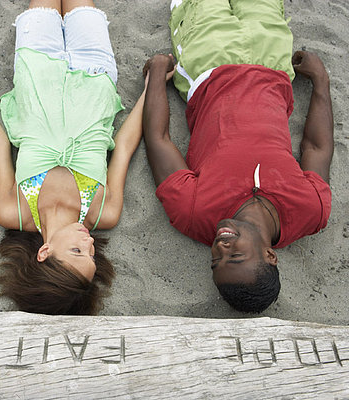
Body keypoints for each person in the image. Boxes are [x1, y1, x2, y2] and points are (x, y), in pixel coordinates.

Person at [142, 0, 333, 312]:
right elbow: (317, 147)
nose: (221, 248)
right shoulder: (311, 211)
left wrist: (156, 82)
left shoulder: (193, 212)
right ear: (270, 255)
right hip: (273, 65)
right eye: (236, 255)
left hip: (210, 64)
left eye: (216, 261)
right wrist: (321, 81)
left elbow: (158, 139)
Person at [0, 0, 147, 315]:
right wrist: (149, 90)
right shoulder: (102, 213)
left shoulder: (15, 212)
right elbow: (124, 147)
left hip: (37, 71)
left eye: (78, 251)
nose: (90, 244)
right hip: (95, 77)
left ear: (45, 252)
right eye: (92, 255)